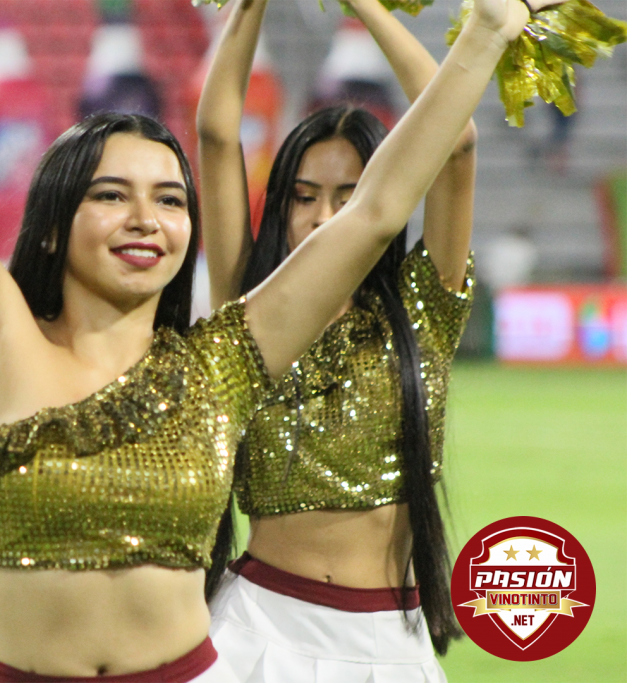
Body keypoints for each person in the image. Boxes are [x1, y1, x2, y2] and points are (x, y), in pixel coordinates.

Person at [0, 0, 534, 678]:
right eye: (111, 195)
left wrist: (485, 34)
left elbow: (376, 212)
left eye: (171, 200)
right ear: (49, 226)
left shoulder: (222, 364)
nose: (146, 220)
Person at [195, 0, 540, 679]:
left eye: (350, 195)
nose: (325, 216)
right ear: (281, 206)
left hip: (392, 641)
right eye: (303, 195)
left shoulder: (423, 310)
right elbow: (214, 133)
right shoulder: (249, 305)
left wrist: (366, 6)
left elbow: (458, 140)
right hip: (257, 630)